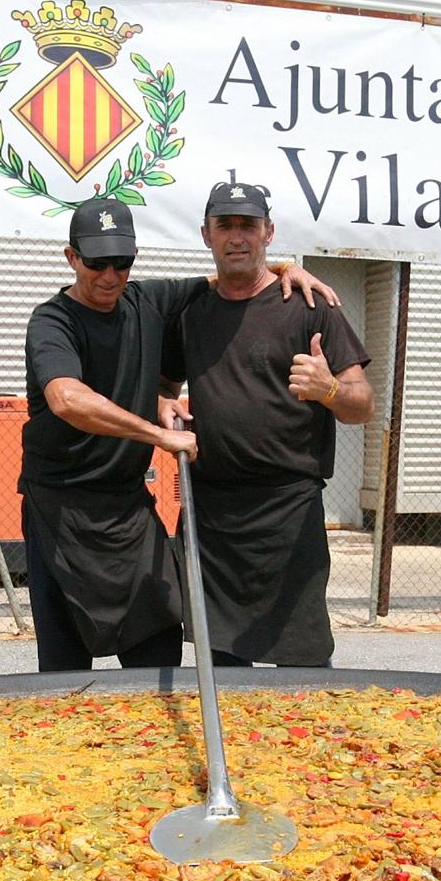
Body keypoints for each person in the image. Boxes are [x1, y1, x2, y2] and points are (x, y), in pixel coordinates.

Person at [21, 196, 335, 672]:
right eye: (96, 263)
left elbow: (231, 278)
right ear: (72, 258)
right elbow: (67, 399)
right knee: (65, 664)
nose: (110, 276)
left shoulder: (147, 301)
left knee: (158, 643)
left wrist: (286, 266)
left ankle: (152, 742)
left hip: (127, 509)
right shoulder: (53, 322)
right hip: (61, 510)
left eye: (121, 263)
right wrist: (158, 435)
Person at [163, 181, 374, 667]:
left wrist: (330, 390)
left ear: (269, 232)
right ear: (206, 235)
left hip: (288, 514)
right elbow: (162, 385)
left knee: (303, 665)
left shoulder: (309, 305)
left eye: (249, 226)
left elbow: (361, 404)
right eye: (226, 226)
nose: (238, 237)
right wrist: (162, 405)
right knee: (221, 670)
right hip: (210, 516)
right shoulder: (189, 310)